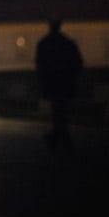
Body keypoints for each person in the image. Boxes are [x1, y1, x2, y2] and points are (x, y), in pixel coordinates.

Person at [35, 18, 83, 153]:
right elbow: (78, 63)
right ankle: (60, 140)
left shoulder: (43, 44)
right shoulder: (68, 43)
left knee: (57, 112)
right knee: (61, 112)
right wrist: (72, 78)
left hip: (52, 84)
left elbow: (40, 68)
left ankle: (56, 138)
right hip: (66, 83)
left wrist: (43, 84)